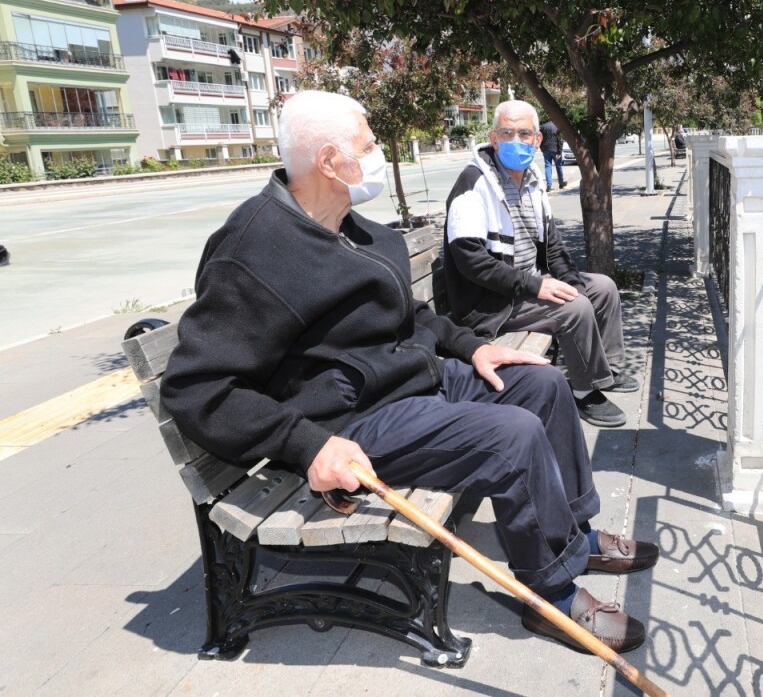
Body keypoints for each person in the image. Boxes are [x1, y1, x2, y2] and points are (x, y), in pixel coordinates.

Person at [161, 90, 656, 654]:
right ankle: (552, 595)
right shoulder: (255, 250)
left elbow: (414, 314)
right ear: (328, 162)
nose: (378, 154)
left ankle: (574, 533)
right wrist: (305, 445)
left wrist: (472, 348)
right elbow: (196, 387)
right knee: (510, 437)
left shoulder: (352, 227)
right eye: (368, 145)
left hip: (415, 379)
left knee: (540, 384)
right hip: (352, 420)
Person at [444, 100, 639, 429]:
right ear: (493, 138)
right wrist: (538, 285)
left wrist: (572, 282)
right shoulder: (474, 183)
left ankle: (606, 372)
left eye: (524, 133)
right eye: (507, 133)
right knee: (574, 308)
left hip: (525, 285)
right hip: (491, 301)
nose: (516, 141)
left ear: (537, 140)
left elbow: (554, 247)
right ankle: (584, 392)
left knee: (602, 288)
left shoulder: (532, 182)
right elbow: (470, 260)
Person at [539, 119, 567, 190]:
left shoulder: (543, 127)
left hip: (546, 149)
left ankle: (549, 184)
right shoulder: (557, 127)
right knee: (558, 166)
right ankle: (561, 183)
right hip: (555, 149)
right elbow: (560, 140)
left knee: (548, 166)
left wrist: (541, 147)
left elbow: (539, 137)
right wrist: (560, 152)